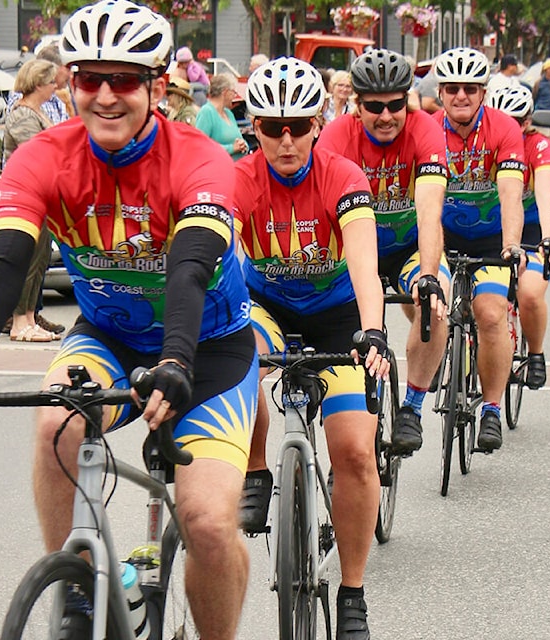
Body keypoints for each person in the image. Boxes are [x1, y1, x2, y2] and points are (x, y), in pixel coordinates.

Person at [0, 3, 258, 639]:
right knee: (54, 426)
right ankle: (76, 588)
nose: (104, 95)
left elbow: (187, 271)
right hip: (109, 337)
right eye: (88, 77)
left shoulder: (200, 159)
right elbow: (3, 264)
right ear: (69, 81)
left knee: (209, 525)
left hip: (208, 349)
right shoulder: (43, 156)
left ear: (155, 86)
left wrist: (178, 361)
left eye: (123, 79)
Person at [233, 57, 389, 640]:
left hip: (337, 316)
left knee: (352, 450)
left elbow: (366, 269)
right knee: (240, 349)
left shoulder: (344, 178)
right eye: (272, 127)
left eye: (299, 124)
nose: (287, 138)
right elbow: (216, 258)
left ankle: (352, 591)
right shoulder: (238, 179)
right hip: (266, 307)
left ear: (319, 121)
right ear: (254, 127)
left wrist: (371, 331)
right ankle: (255, 468)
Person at [316, 48, 449, 456]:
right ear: (357, 106)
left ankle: (411, 406)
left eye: (396, 104)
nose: (387, 115)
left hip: (407, 246)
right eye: (375, 106)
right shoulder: (336, 135)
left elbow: (429, 210)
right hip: (355, 250)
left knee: (436, 301)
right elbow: (321, 212)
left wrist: (428, 274)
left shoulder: (425, 130)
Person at [431, 47, 527, 452]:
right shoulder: (427, 129)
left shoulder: (505, 130)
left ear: (483, 93)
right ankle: (435, 355)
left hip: (491, 238)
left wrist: (511, 245)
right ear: (440, 93)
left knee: (489, 315)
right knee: (426, 297)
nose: (461, 97)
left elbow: (510, 192)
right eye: (452, 89)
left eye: (470, 89)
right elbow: (425, 198)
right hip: (443, 233)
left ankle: (490, 408)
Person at [486, 84, 550, 388]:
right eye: (502, 120)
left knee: (529, 292)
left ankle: (536, 353)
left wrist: (548, 237)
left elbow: (545, 196)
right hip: (497, 223)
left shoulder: (539, 146)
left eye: (517, 122)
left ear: (528, 122)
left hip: (534, 224)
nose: (509, 128)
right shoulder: (483, 143)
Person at [2, 58, 61, 343]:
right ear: (39, 83)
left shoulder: (37, 112)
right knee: (26, 260)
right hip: (25, 196)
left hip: (41, 195)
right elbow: (36, 154)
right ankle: (18, 322)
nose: (54, 87)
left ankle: (28, 318)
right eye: (51, 82)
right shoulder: (23, 115)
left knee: (39, 260)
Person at [196, 73, 248, 160]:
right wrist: (232, 148)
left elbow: (239, 138)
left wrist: (243, 145)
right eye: (233, 92)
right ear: (225, 92)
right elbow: (200, 146)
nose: (234, 97)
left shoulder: (229, 113)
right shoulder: (206, 112)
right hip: (217, 170)